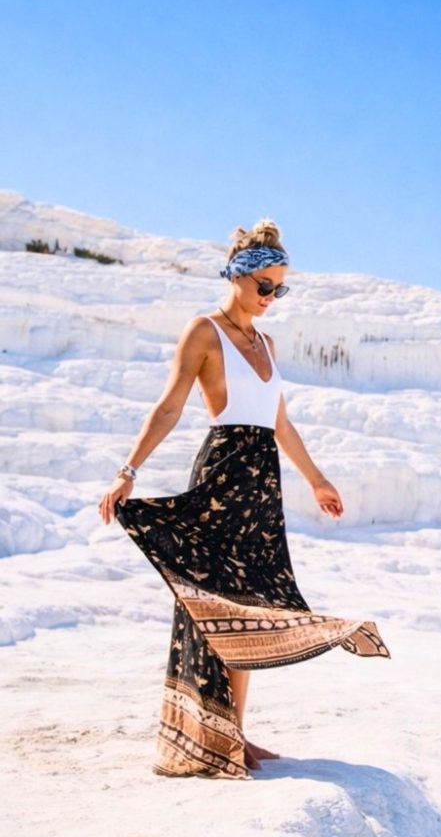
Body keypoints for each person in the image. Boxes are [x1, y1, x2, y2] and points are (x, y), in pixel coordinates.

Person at [97, 218, 390, 780]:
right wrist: (127, 471)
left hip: (263, 480)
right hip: (224, 472)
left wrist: (317, 479)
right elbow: (169, 407)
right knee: (217, 599)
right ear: (238, 277)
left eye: (281, 289)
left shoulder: (268, 343)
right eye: (266, 287)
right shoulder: (203, 332)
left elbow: (281, 424)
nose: (272, 298)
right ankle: (211, 733)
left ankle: (235, 729)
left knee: (251, 600)